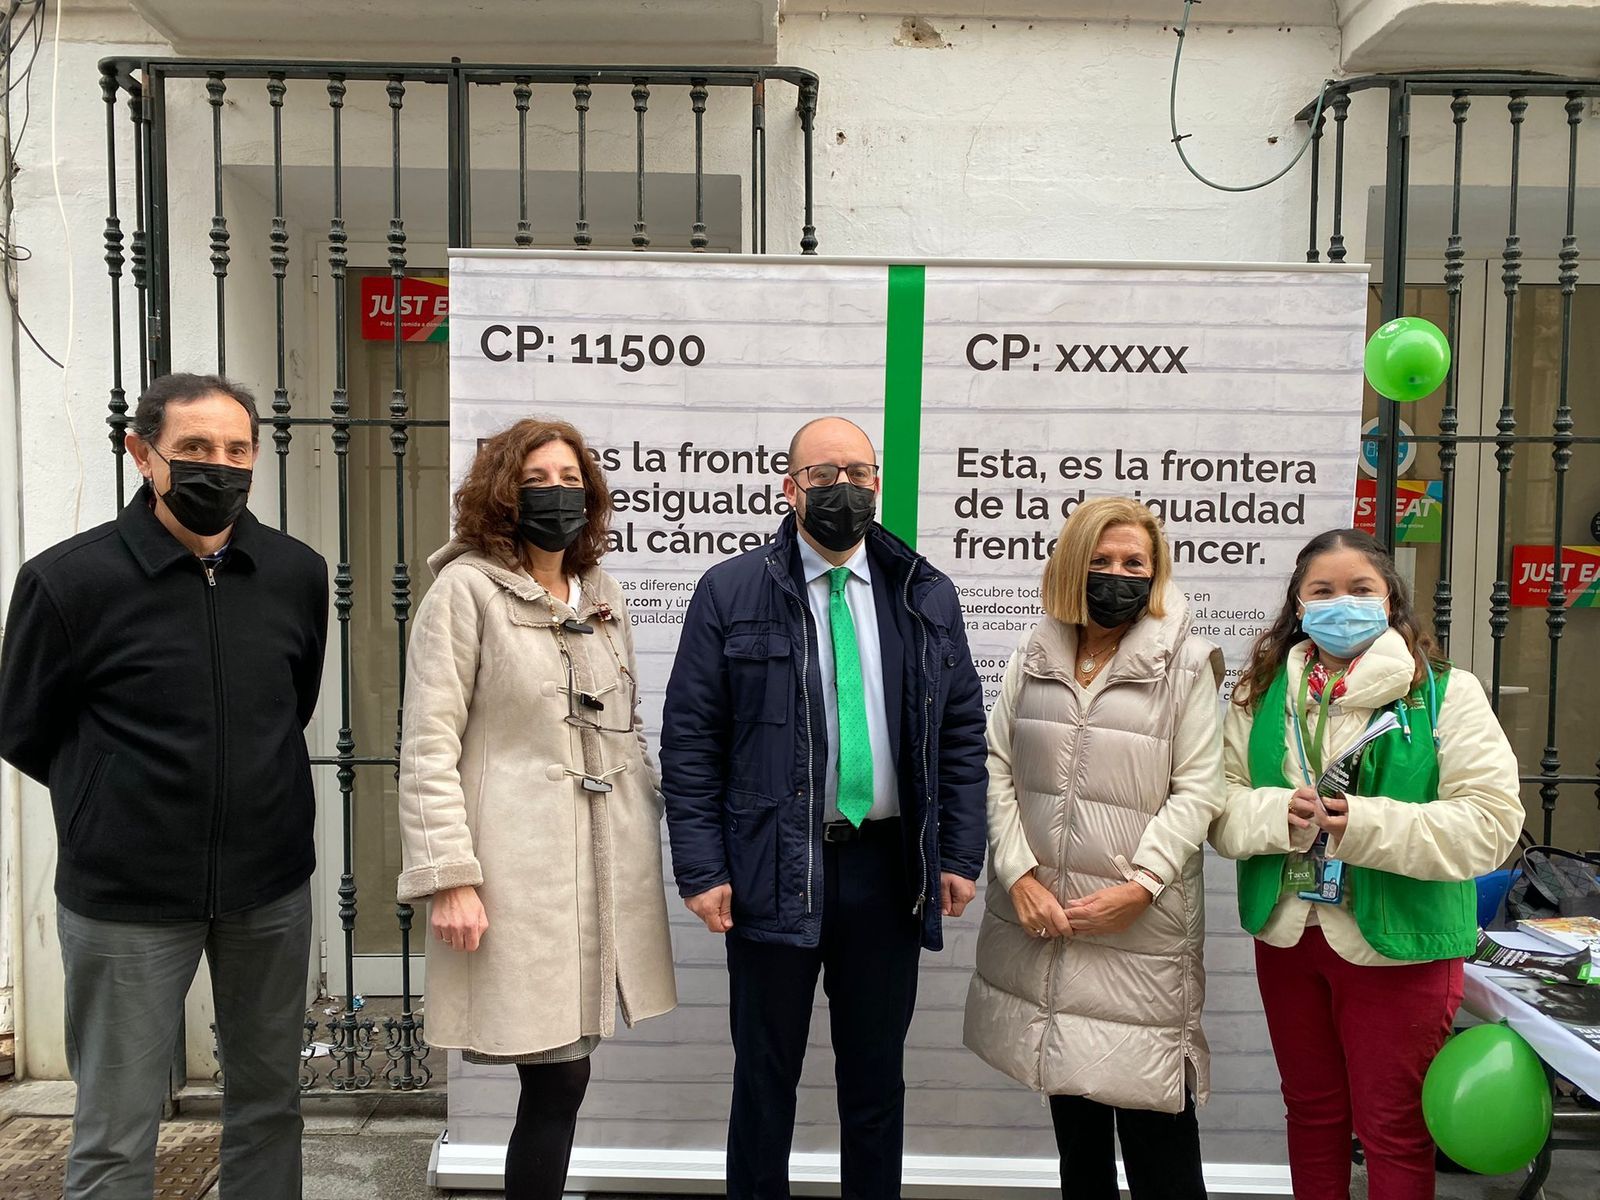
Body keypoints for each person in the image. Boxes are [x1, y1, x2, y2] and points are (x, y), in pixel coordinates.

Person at [0, 373, 327, 1199]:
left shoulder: (294, 572)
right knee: (116, 1129)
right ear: (142, 455)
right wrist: (114, 801)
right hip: (125, 901)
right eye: (193, 450)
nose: (219, 466)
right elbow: (24, 728)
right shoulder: (66, 582)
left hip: (269, 890)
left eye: (236, 450)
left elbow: (293, 704)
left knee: (269, 1108)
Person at [660, 416, 988, 1200]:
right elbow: (692, 740)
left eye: (858, 472)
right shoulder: (731, 591)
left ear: (878, 483)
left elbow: (962, 733)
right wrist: (702, 867)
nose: (844, 488)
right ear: (789, 487)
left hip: (886, 871)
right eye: (822, 473)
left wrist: (958, 853)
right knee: (763, 1081)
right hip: (772, 864)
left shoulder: (924, 592)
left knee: (876, 1084)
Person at [396, 418, 676, 1200]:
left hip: (597, 869)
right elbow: (427, 745)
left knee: (565, 1074)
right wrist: (449, 876)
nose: (558, 493)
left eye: (569, 478)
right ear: (501, 493)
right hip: (513, 873)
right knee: (556, 1078)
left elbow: (624, 727)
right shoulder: (464, 590)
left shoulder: (603, 593)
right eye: (537, 480)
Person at [1209, 528, 1522, 1200]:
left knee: (1395, 1128)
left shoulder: (1446, 693)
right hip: (1291, 937)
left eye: (1360, 589)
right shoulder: (1258, 696)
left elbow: (1492, 826)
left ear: (1390, 600)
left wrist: (1366, 825)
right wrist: (1275, 818)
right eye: (1322, 591)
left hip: (1402, 946)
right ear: (1297, 605)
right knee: (1313, 1115)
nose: (1340, 604)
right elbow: (1219, 808)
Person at [963, 496, 1224, 1200]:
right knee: (1077, 1137)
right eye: (1102, 560)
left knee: (1159, 1137)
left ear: (1156, 570)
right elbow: (993, 762)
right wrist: (1017, 873)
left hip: (1137, 929)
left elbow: (1199, 790)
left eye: (1134, 562)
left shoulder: (1189, 664)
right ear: (1073, 566)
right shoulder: (1036, 649)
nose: (1118, 574)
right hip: (1052, 924)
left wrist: (1142, 884)